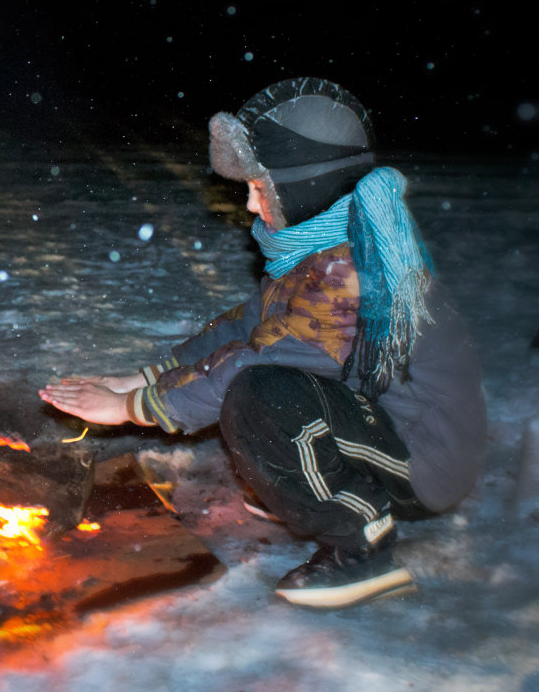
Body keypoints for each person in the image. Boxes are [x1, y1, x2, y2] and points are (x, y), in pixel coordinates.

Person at [39, 77, 487, 609]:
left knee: (262, 397)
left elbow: (257, 359)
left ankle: (361, 542)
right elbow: (246, 326)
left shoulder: (349, 270)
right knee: (259, 388)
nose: (251, 205)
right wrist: (146, 376)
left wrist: (134, 407)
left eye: (260, 187)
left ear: (304, 188)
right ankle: (314, 482)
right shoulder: (324, 242)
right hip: (388, 423)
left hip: (426, 458)